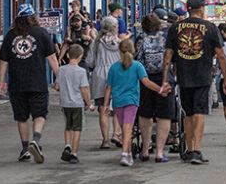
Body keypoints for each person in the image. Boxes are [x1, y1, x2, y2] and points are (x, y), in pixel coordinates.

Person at [163, 0, 226, 165]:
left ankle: (190, 148)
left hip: (183, 76)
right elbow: (221, 55)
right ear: (201, 9)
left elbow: (168, 56)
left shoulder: (175, 28)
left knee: (189, 113)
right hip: (202, 75)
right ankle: (196, 150)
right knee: (199, 112)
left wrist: (165, 79)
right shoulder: (210, 28)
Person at [0, 4, 59, 164]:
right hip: (37, 82)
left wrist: (2, 82)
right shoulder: (42, 33)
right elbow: (52, 58)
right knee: (39, 115)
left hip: (17, 83)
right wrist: (60, 78)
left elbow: (3, 61)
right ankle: (35, 141)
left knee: (21, 117)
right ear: (33, 17)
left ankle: (25, 149)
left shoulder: (11, 35)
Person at [104, 38, 170, 167]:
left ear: (119, 51)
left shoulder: (114, 67)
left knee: (125, 128)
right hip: (132, 101)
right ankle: (124, 154)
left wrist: (106, 104)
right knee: (127, 128)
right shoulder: (137, 66)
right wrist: (160, 89)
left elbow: (108, 87)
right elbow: (146, 82)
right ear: (133, 51)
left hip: (118, 101)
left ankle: (127, 153)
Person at [136, 11, 173, 162]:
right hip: (164, 79)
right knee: (164, 115)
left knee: (145, 114)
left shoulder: (140, 39)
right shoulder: (166, 38)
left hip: (145, 80)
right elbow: (171, 58)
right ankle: (159, 152)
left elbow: (137, 59)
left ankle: (145, 150)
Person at [56, 43, 94, 164]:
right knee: (77, 128)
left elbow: (57, 87)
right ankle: (74, 153)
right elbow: (84, 90)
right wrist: (89, 104)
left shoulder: (61, 70)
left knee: (68, 126)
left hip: (65, 103)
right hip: (77, 104)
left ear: (67, 55)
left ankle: (67, 145)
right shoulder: (82, 71)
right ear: (81, 56)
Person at [89, 16, 123, 149]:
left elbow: (90, 61)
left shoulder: (96, 43)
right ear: (114, 28)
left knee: (103, 109)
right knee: (118, 107)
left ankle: (105, 140)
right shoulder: (120, 43)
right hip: (117, 76)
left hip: (100, 76)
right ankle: (116, 134)